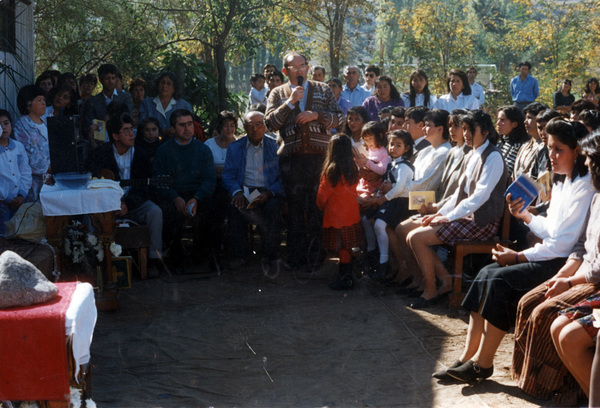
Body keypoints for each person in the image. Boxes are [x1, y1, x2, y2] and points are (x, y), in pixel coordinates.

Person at [436, 118, 594, 384]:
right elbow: (551, 230)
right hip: (550, 253)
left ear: (576, 151)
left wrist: (519, 256)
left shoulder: (584, 185)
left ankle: (483, 364)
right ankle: (466, 357)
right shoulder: (561, 180)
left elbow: (563, 244)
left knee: (499, 280)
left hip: (566, 263)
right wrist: (525, 216)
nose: (552, 156)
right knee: (486, 272)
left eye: (559, 150)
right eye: (550, 148)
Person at [513, 131, 600, 405]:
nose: (586, 165)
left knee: (550, 315)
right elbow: (581, 248)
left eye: (591, 160)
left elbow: (594, 268)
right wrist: (564, 277)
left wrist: (569, 282)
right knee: (530, 302)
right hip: (582, 272)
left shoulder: (587, 189)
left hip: (591, 280)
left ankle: (567, 392)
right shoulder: (594, 197)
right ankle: (536, 384)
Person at [265, 51, 344, 270]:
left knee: (318, 208)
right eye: (294, 67)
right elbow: (270, 124)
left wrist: (315, 115)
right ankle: (296, 257)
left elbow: (339, 117)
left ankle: (316, 256)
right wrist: (290, 103)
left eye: (303, 66)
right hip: (292, 160)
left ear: (308, 68)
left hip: (319, 158)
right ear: (285, 70)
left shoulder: (323, 89)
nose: (299, 71)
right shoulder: (277, 93)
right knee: (296, 209)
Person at [88, 113, 163, 276]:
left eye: (132, 130)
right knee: (88, 217)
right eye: (126, 130)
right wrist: (112, 204)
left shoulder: (141, 155)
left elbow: (144, 188)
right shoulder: (101, 154)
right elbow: (93, 185)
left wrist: (127, 204)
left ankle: (153, 261)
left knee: (155, 212)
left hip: (131, 204)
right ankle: (94, 262)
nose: (132, 135)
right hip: (106, 207)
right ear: (115, 136)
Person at [153, 109, 217, 268]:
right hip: (174, 195)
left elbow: (210, 180)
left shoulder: (203, 150)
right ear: (173, 129)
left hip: (197, 195)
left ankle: (202, 257)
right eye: (182, 125)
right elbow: (159, 183)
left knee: (211, 210)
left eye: (190, 124)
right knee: (167, 213)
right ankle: (176, 258)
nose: (187, 128)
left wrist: (196, 198)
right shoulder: (163, 151)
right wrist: (175, 198)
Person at [222, 111, 283, 269]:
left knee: (274, 207)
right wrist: (237, 192)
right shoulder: (235, 147)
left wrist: (270, 193)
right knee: (235, 207)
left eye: (258, 124)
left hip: (268, 191)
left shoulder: (276, 146)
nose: (254, 129)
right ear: (244, 127)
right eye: (250, 125)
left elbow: (284, 177)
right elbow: (228, 176)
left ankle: (271, 256)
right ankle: (240, 255)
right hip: (245, 190)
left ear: (265, 126)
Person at [361, 130, 414, 281]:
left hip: (400, 203)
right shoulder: (392, 164)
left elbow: (399, 188)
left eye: (399, 145)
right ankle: (376, 256)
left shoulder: (403, 166)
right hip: (390, 200)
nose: (393, 148)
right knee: (368, 219)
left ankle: (383, 262)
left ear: (406, 148)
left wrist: (382, 199)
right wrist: (377, 197)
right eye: (392, 144)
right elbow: (386, 184)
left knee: (379, 224)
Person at [316, 134, 364, 290]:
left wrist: (319, 206)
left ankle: (345, 279)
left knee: (342, 249)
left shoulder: (331, 171)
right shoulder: (353, 167)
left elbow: (322, 196)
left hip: (336, 217)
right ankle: (347, 275)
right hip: (352, 215)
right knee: (348, 247)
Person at [13, 85, 49, 202]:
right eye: (39, 100)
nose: (43, 103)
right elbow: (28, 156)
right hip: (33, 184)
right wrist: (48, 167)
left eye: (44, 100)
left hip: (50, 180)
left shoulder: (46, 123)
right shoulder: (21, 126)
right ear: (28, 105)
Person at [81, 64, 133, 140]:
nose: (111, 81)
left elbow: (129, 119)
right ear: (101, 79)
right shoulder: (92, 102)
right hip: (100, 142)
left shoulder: (125, 97)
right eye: (107, 78)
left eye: (113, 78)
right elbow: (87, 127)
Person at [0, 109, 32, 235]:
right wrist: (7, 197)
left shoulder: (18, 147)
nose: (3, 128)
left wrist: (21, 195)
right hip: (2, 204)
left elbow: (25, 172)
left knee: (18, 236)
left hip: (18, 201)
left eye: (6, 123)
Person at [139, 72, 193, 138]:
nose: (164, 86)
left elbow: (189, 128)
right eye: (162, 83)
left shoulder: (184, 105)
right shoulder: (146, 103)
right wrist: (162, 131)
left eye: (168, 84)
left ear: (174, 88)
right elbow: (141, 126)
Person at [512, 102, 548, 180]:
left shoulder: (545, 148)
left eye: (529, 118)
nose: (525, 122)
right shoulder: (524, 146)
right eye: (525, 118)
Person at [496, 105, 530, 176]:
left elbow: (506, 172)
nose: (498, 123)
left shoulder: (518, 146)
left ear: (514, 124)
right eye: (498, 119)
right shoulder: (500, 142)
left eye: (502, 120)